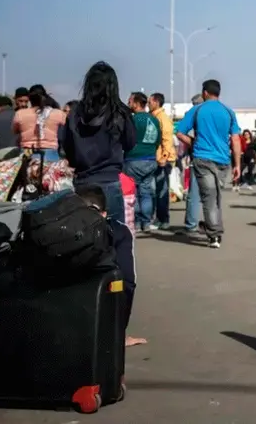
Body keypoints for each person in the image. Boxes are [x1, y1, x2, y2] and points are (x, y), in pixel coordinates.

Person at [61, 61, 141, 345]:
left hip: (81, 187)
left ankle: (82, 324)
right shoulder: (119, 114)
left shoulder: (74, 115)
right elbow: (131, 143)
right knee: (116, 256)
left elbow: (66, 149)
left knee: (83, 251)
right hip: (110, 186)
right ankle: (117, 330)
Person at [76, 183, 146, 347]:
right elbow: (128, 281)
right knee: (122, 283)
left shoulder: (56, 232)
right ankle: (115, 336)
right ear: (104, 214)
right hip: (102, 298)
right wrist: (119, 332)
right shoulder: (118, 231)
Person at [175, 80, 241, 249]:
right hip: (223, 161)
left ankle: (214, 235)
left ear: (204, 93)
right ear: (218, 93)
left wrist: (193, 142)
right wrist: (237, 165)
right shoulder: (228, 112)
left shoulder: (197, 110)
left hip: (202, 158)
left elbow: (180, 132)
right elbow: (235, 139)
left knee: (210, 197)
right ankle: (215, 230)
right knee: (215, 196)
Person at [123, 92, 161, 233]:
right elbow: (158, 140)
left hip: (133, 159)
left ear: (137, 103)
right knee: (146, 192)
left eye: (130, 101)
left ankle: (137, 222)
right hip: (150, 159)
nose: (128, 104)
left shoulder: (133, 120)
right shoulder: (154, 120)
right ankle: (146, 222)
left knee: (134, 191)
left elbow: (126, 139)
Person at [12, 85, 66, 162]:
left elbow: (15, 131)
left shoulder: (20, 114)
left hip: (27, 155)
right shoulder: (58, 113)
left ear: (29, 99)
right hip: (50, 156)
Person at [148, 93, 176, 229]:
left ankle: (163, 219)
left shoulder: (162, 118)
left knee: (161, 191)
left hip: (162, 160)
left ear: (156, 102)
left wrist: (164, 157)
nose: (148, 103)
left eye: (150, 101)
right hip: (156, 158)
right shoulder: (154, 117)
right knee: (156, 190)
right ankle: (159, 218)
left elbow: (167, 139)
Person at [178, 94, 203, 236]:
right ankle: (213, 225)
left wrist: (194, 144)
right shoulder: (216, 112)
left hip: (198, 155)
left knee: (194, 192)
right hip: (216, 156)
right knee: (211, 194)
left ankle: (191, 224)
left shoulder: (194, 114)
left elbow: (181, 133)